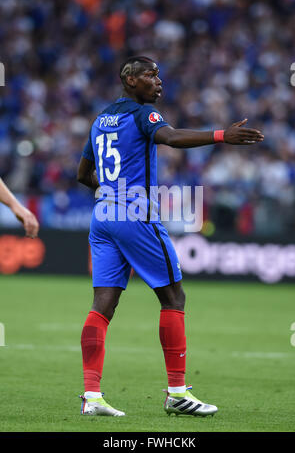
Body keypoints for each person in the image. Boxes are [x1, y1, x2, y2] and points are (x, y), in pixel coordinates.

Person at [77, 55, 264, 417]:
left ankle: (92, 396)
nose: (158, 81)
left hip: (102, 216)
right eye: (150, 75)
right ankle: (177, 393)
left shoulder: (100, 120)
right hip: (135, 214)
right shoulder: (143, 115)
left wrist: (111, 195)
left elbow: (83, 174)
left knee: (103, 306)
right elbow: (171, 138)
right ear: (129, 80)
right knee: (174, 296)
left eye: (159, 75)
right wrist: (222, 135)